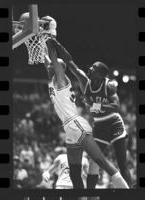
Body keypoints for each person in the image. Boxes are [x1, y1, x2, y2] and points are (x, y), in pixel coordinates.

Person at [42, 38, 129, 191]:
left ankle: (127, 190)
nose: (49, 66)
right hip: (71, 127)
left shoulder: (61, 80)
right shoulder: (52, 80)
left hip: (77, 123)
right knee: (75, 174)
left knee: (102, 161)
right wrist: (39, 42)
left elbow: (54, 60)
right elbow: (50, 60)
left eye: (53, 66)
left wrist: (50, 42)